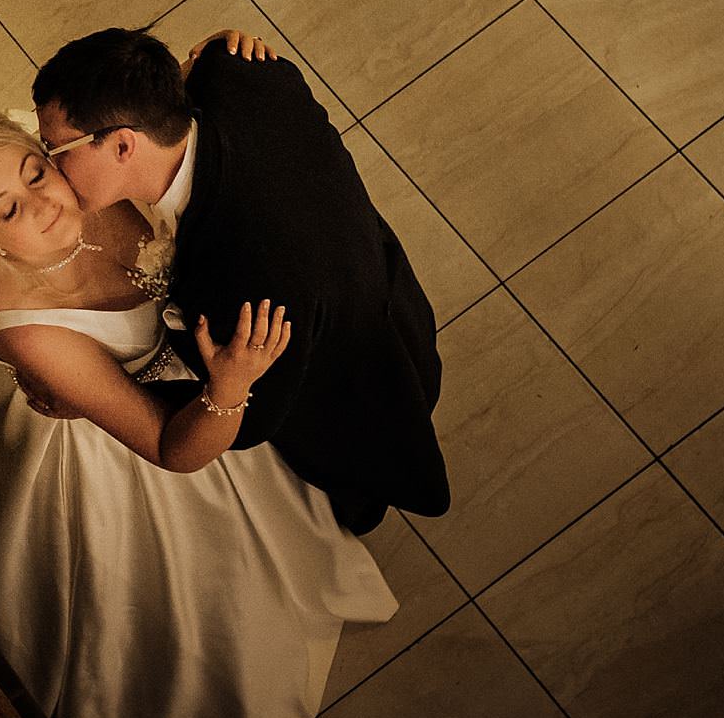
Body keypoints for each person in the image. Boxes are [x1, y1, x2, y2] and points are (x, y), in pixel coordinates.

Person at [0, 89, 396, 718]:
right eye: (6, 212)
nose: (44, 202)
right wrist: (231, 384)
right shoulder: (29, 331)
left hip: (189, 369)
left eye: (33, 171)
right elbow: (169, 446)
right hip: (144, 432)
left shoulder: (88, 172)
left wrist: (223, 50)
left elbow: (163, 111)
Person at [32, 26, 449, 535]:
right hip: (378, 276)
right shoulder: (238, 68)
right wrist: (220, 42)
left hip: (345, 378)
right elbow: (222, 59)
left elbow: (249, 419)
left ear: (122, 145)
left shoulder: (249, 286)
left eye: (57, 151)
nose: (48, 166)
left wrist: (101, 398)